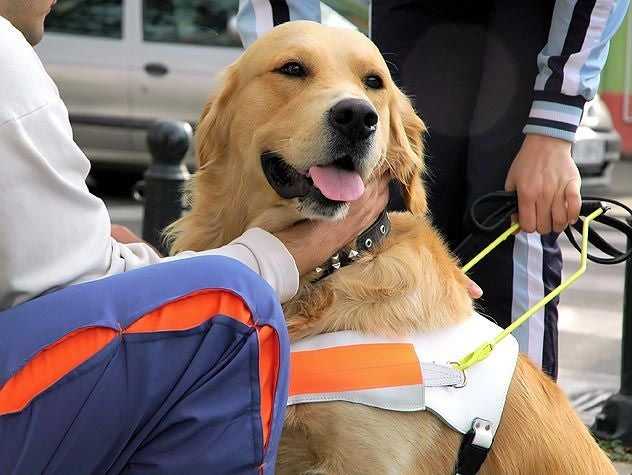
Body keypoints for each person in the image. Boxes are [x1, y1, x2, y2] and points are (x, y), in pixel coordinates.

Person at [237, 0, 629, 379]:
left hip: (537, 17)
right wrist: (281, 79)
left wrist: (553, 129)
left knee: (508, 231)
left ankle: (520, 433)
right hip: (413, 15)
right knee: (387, 241)